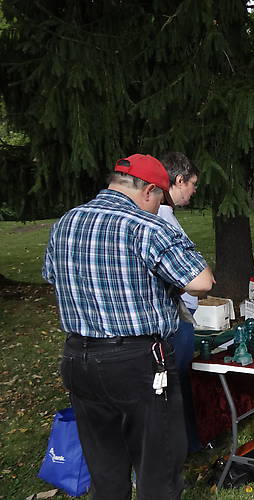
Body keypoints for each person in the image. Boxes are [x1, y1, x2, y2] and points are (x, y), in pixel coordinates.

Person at [43, 154, 214, 500]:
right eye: (159, 199)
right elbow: (202, 282)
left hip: (78, 359)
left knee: (105, 471)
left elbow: (52, 275)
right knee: (157, 469)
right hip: (136, 361)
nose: (159, 207)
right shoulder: (146, 226)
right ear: (149, 190)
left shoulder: (66, 221)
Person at [156, 151, 202, 454]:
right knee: (175, 383)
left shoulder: (166, 215)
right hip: (174, 316)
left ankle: (188, 441)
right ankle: (180, 445)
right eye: (193, 184)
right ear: (179, 179)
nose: (194, 191)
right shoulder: (160, 218)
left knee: (181, 381)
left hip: (180, 313)